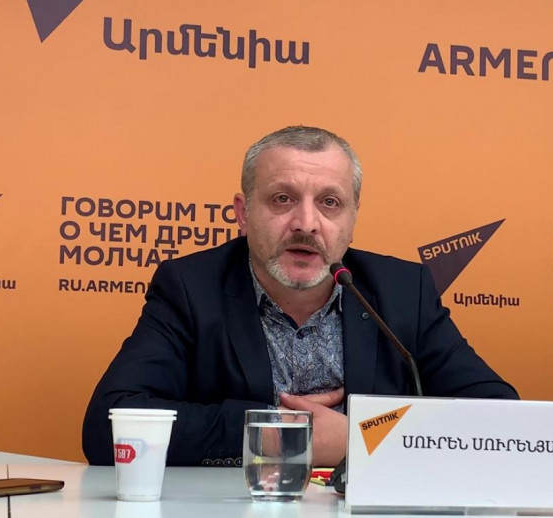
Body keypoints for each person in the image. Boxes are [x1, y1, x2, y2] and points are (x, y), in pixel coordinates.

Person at [82, 126, 518, 467]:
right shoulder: (190, 287)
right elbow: (108, 426)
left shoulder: (404, 291)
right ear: (243, 213)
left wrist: (361, 435)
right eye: (282, 199)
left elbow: (502, 419)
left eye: (329, 203)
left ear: (352, 219)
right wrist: (278, 433)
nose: (306, 223)